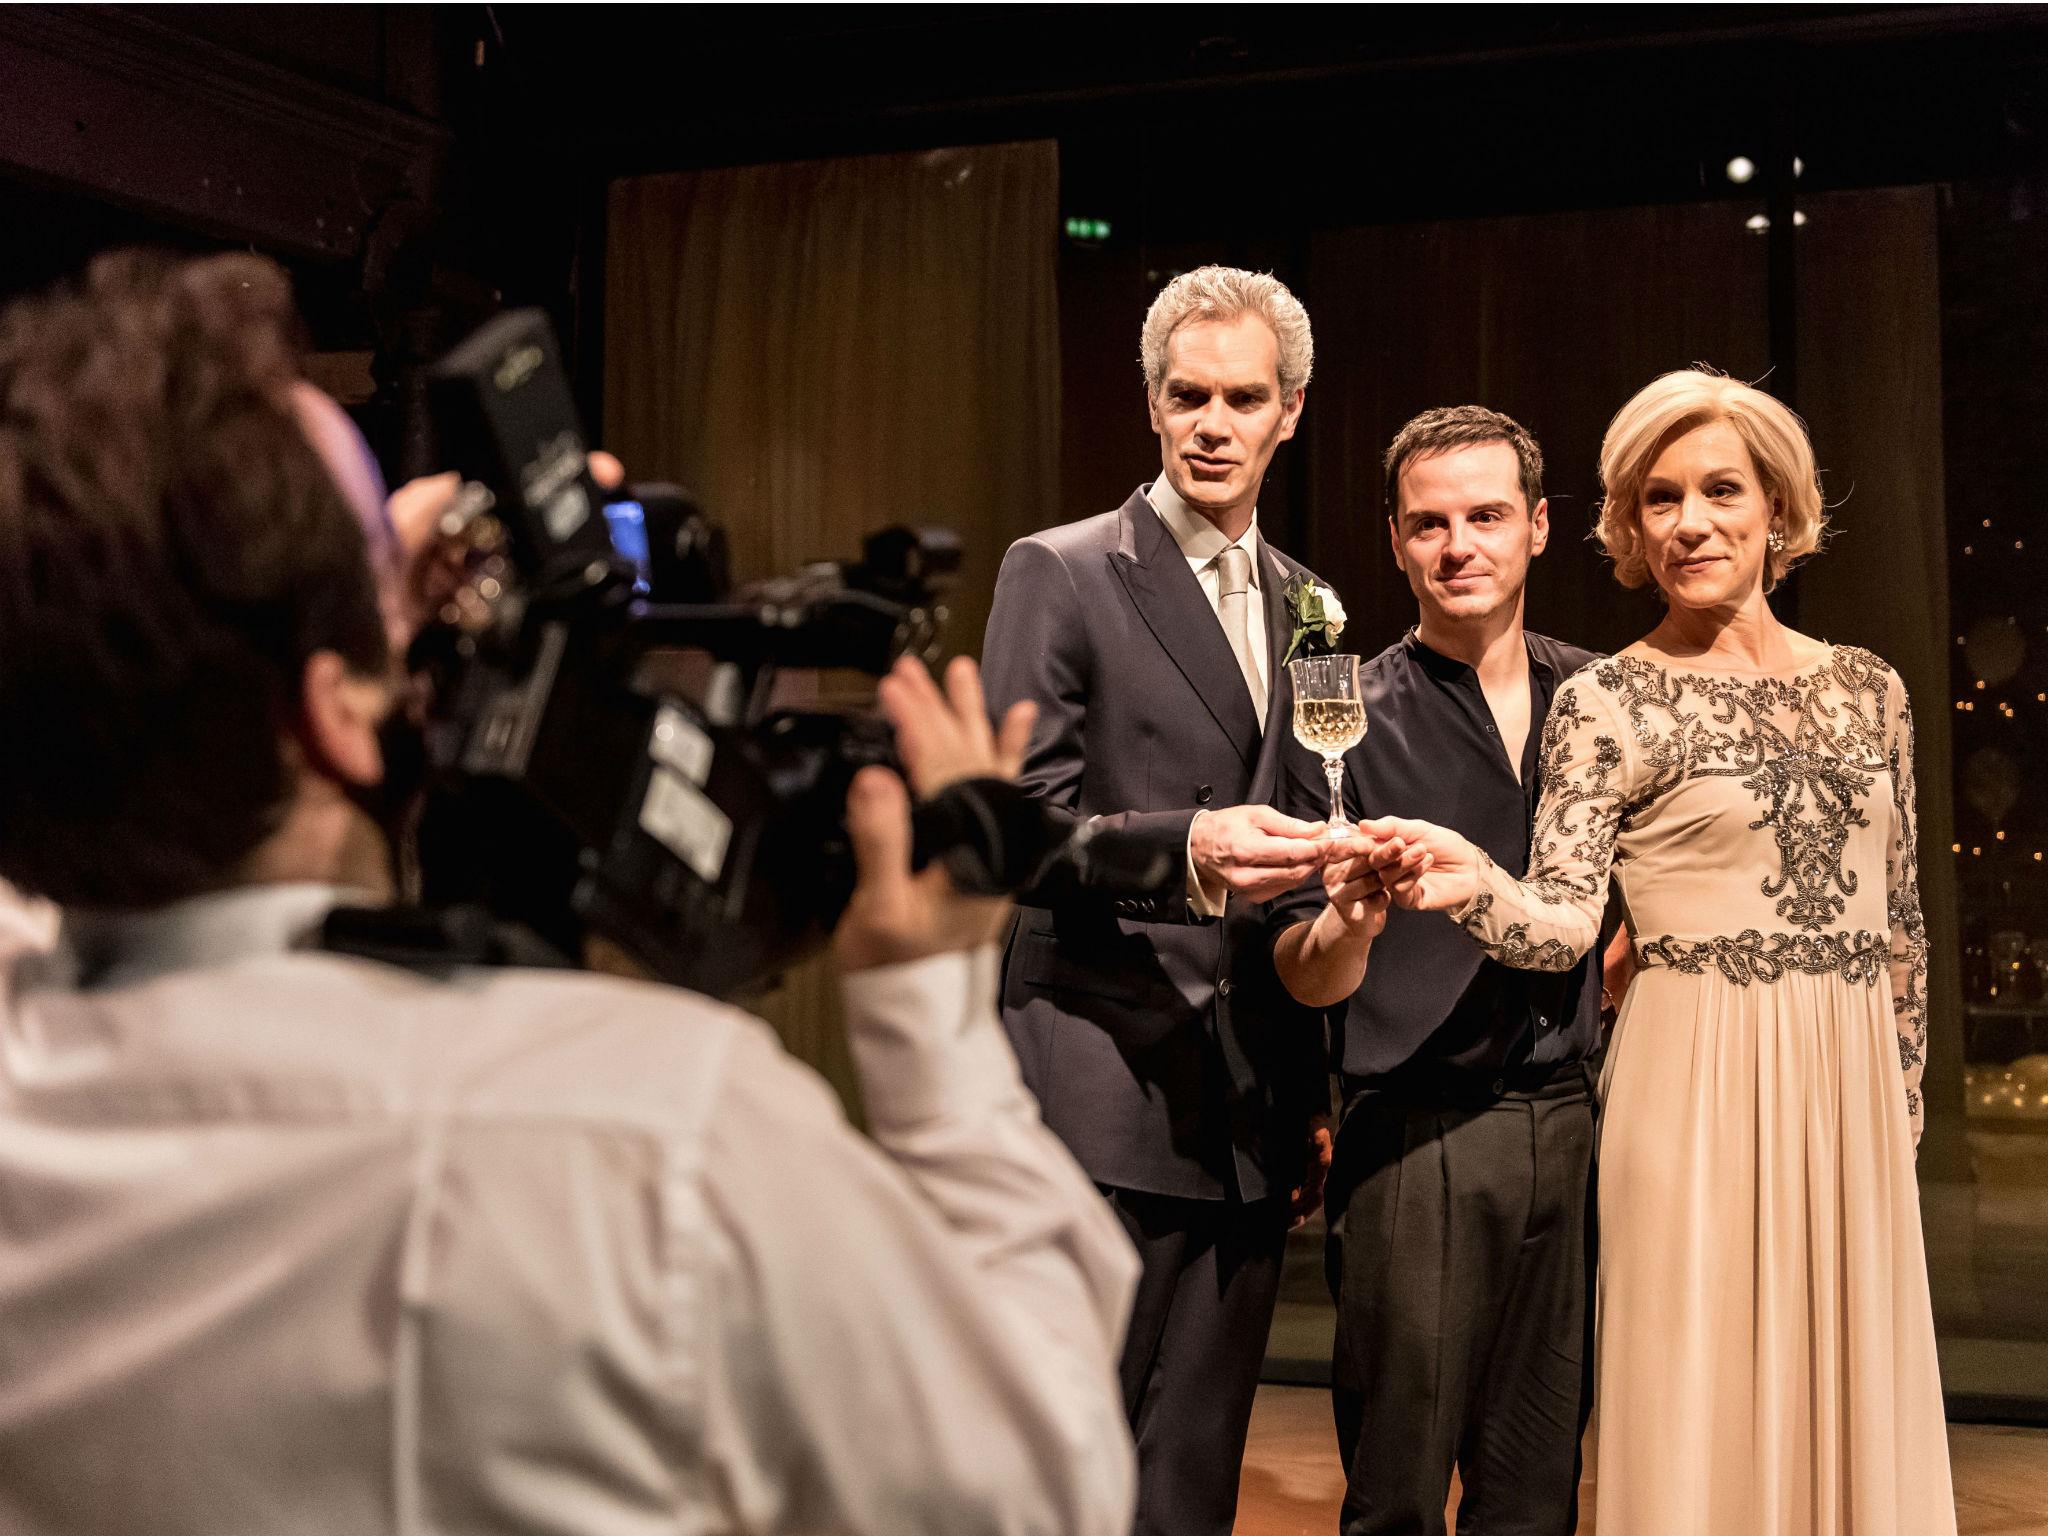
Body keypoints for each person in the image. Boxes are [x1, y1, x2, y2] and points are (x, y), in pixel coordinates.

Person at [0, 250, 1140, 1536]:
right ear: (332, 714)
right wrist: (927, 1011)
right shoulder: (652, 1138)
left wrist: (352, 617)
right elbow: (1036, 1485)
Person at [1358, 369, 1957, 1535]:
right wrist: (1472, 883)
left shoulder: (1869, 689)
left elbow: (1899, 926)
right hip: (1687, 1098)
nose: (1689, 523)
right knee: (1698, 1412)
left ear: (1776, 508)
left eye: (1718, 490)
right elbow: (1564, 925)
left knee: (1847, 1403)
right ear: (1626, 528)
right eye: (1656, 499)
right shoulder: (1607, 700)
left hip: (1847, 1105)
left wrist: (1900, 1107)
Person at [980, 265, 1336, 1536]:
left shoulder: (1313, 604)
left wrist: (1310, 1091)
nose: (1212, 423)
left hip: (1246, 1094)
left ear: (1288, 411)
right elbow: (1008, 829)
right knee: (1063, 1469)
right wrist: (1189, 846)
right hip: (1096, 1080)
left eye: (1243, 398)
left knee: (1190, 1477)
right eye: (1188, 395)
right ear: (1149, 402)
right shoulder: (1061, 569)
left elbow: (1310, 834)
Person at [1269, 406, 1629, 1535]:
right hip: (1413, 1135)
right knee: (1396, 1491)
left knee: (1535, 1490)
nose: (1456, 544)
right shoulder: (1338, 716)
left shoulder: (1602, 698)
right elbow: (1301, 975)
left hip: (1574, 1124)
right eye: (1428, 523)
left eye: (1483, 516)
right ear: (1393, 541)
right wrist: (1349, 930)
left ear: (1535, 527)